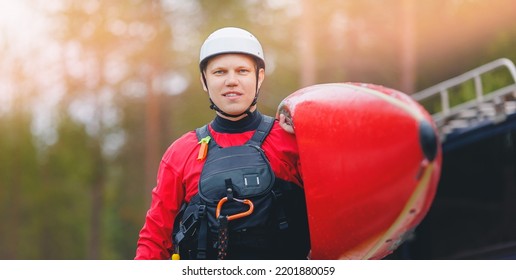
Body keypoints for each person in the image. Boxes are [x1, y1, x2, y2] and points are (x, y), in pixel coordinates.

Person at [135, 27, 310, 260]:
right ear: (204, 81)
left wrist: (309, 123)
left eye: (242, 71)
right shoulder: (181, 152)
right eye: (219, 72)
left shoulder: (292, 139)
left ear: (259, 77)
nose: (231, 81)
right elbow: (155, 238)